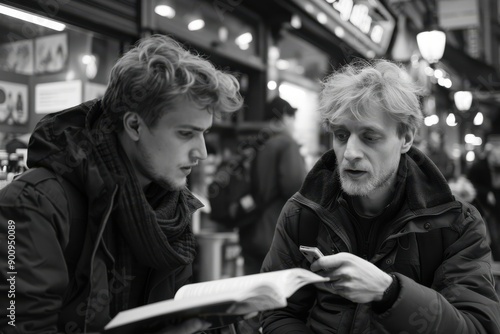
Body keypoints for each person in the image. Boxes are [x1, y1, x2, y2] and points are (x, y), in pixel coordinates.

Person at [0, 34, 242, 333]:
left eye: (204, 133)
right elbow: (20, 325)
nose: (202, 153)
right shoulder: (31, 204)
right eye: (185, 133)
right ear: (134, 125)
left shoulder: (170, 207)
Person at [260, 60, 500, 333]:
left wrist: (390, 294)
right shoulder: (302, 213)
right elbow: (276, 313)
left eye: (369, 137)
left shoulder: (457, 225)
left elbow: (478, 327)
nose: (350, 152)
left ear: (406, 138)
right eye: (341, 135)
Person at [239, 95, 306, 275]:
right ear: (284, 116)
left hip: (250, 230)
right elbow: (296, 188)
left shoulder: (257, 143)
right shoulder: (286, 144)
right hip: (275, 234)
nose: (293, 124)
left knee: (253, 291)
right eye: (293, 118)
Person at [467, 136, 500, 261]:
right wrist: (487, 193)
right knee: (493, 235)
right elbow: (471, 184)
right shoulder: (479, 167)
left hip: (497, 204)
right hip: (485, 206)